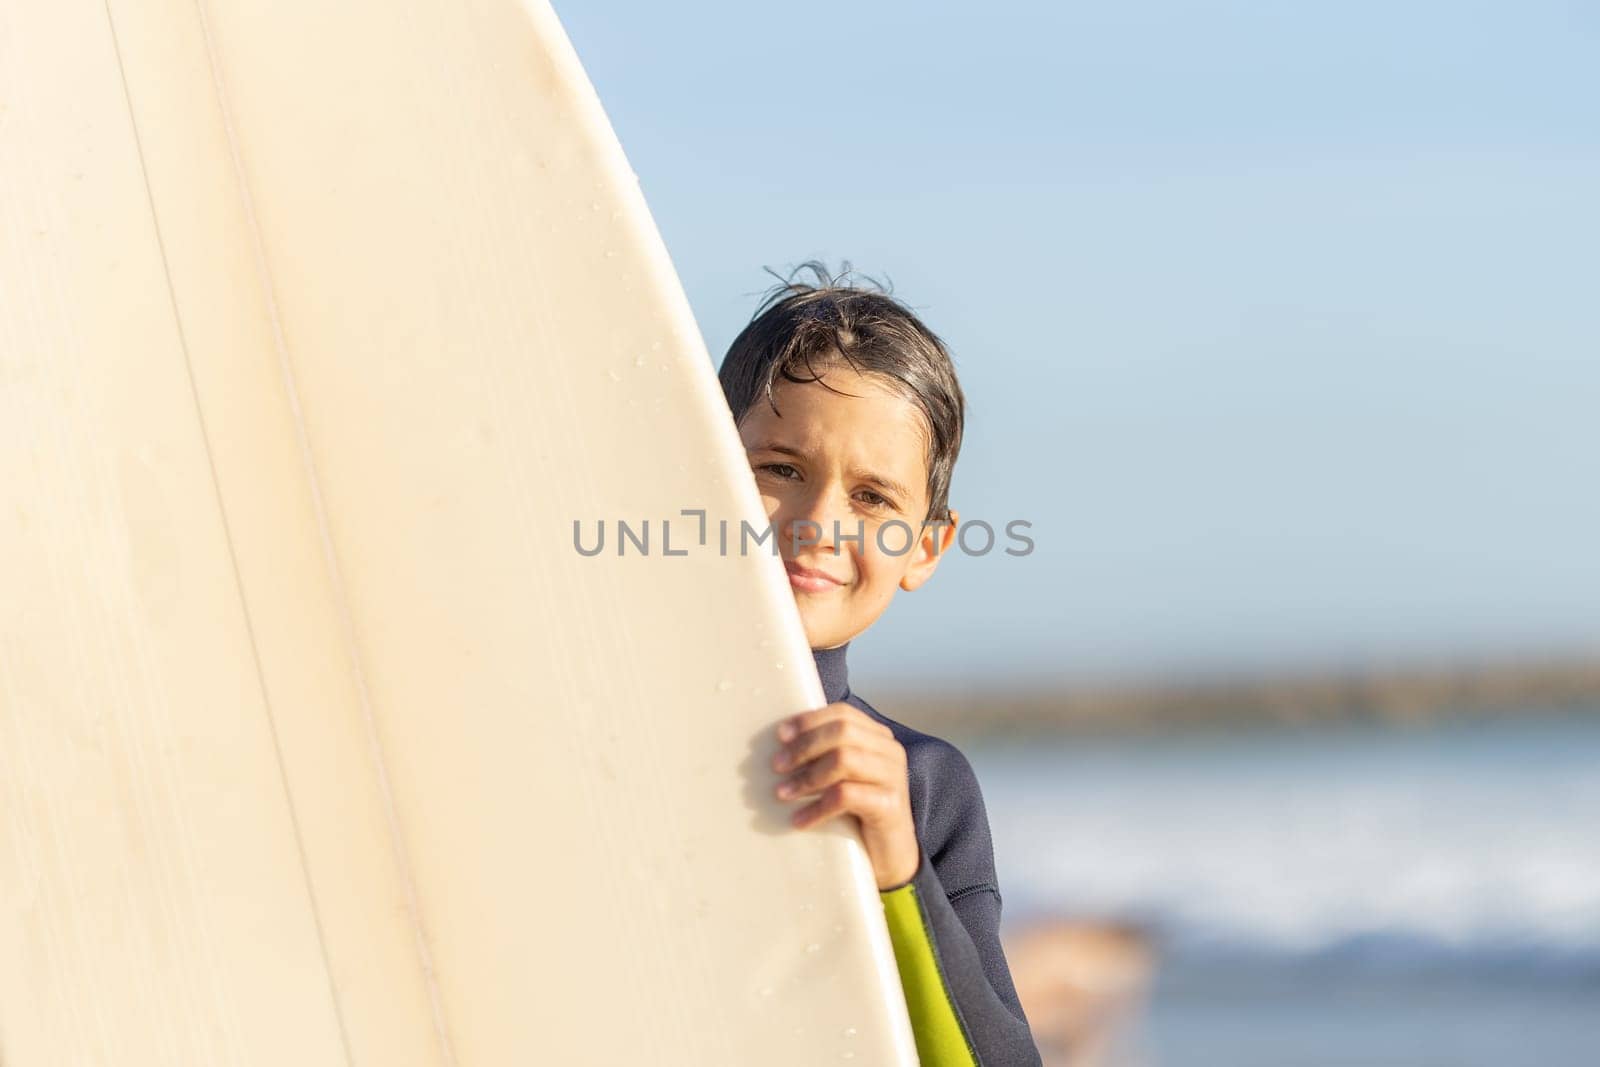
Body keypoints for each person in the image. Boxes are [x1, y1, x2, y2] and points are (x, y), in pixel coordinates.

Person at [718, 263, 1042, 1067]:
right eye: (780, 469)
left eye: (871, 497)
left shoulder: (924, 788)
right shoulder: (589, 717)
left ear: (924, 547)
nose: (819, 523)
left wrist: (899, 868)